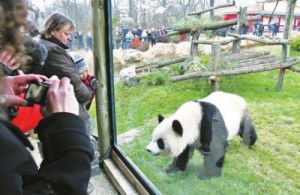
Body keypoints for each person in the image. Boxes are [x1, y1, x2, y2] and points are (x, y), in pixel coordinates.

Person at [39, 13, 100, 175]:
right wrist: (88, 93)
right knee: (79, 146)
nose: (70, 37)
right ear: (53, 31)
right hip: (69, 110)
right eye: (66, 33)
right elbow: (72, 80)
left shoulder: (44, 45)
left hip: (51, 109)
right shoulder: (53, 51)